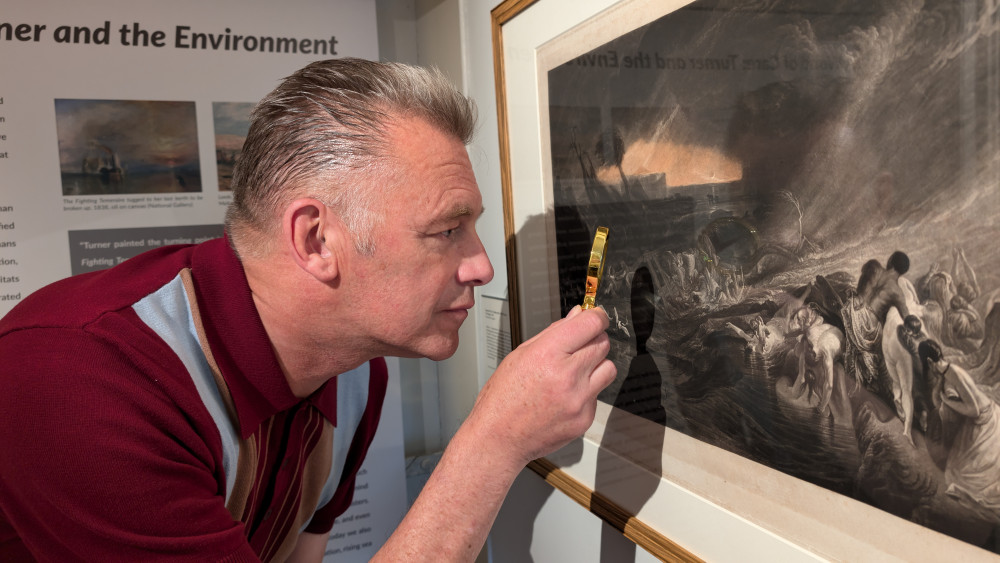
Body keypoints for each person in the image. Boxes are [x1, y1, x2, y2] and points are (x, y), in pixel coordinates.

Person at [0, 59, 616, 562]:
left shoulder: (348, 370)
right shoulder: (74, 381)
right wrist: (493, 443)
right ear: (317, 241)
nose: (481, 266)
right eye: (447, 230)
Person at [841, 252, 911, 414]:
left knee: (854, 351)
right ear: (902, 272)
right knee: (883, 358)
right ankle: (885, 394)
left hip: (851, 312)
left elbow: (864, 281)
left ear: (890, 260)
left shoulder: (873, 266)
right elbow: (906, 317)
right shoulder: (897, 292)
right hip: (869, 326)